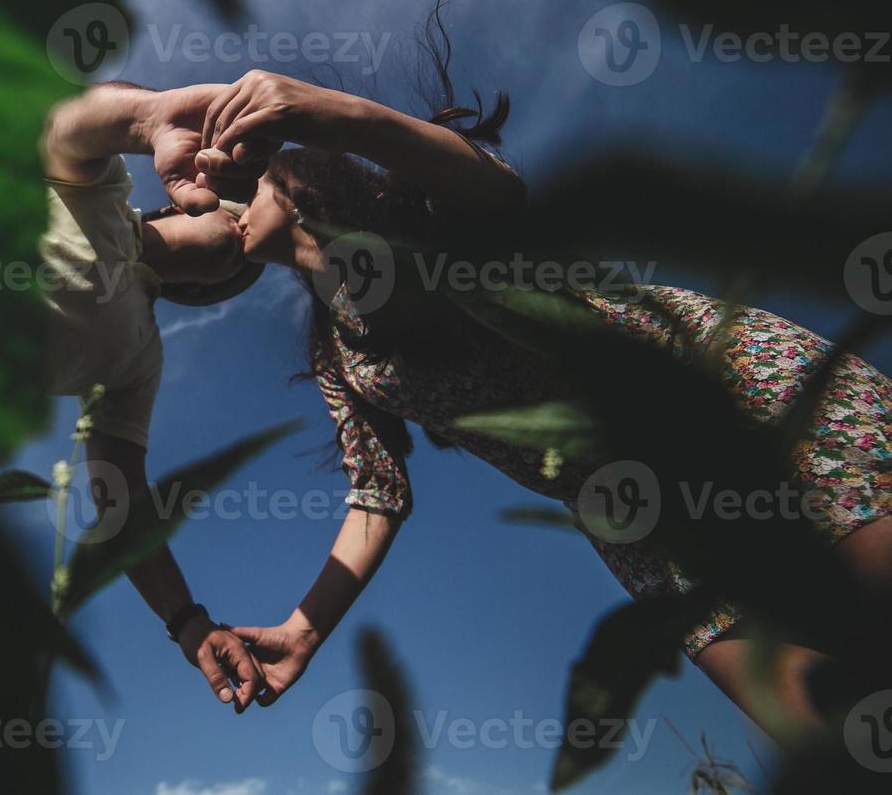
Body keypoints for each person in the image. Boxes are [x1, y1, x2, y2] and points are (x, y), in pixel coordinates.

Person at [185, 62, 892, 740]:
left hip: (723, 402)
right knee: (827, 734)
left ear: (299, 179)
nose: (224, 205)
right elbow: (377, 493)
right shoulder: (337, 355)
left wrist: (331, 114)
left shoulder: (405, 216)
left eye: (244, 191)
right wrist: (302, 632)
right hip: (637, 520)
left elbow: (495, 190)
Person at [38, 79, 271, 712]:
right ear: (177, 207)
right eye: (235, 214)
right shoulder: (100, 193)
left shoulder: (141, 359)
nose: (245, 239)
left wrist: (188, 622)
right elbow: (74, 122)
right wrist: (153, 115)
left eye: (245, 273)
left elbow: (121, 497)